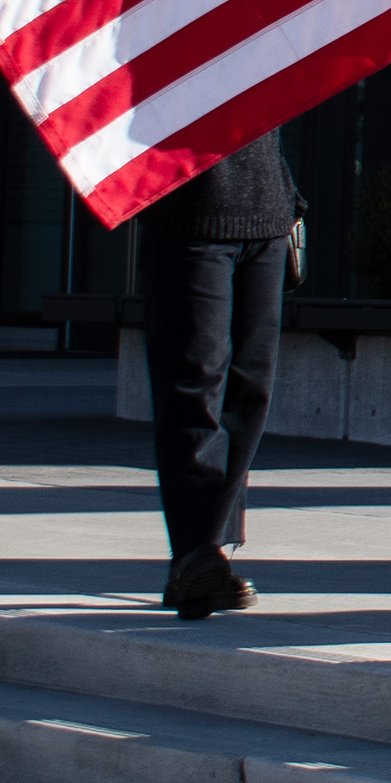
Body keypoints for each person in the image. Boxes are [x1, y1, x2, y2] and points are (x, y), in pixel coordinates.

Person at [139, 127, 295, 618]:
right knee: (194, 383)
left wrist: (291, 201)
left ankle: (209, 552)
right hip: (189, 213)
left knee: (251, 390)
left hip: (268, 216)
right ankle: (194, 552)